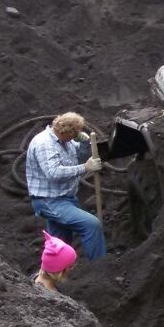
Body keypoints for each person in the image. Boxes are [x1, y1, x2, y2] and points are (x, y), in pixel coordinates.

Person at [25, 112, 106, 261]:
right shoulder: (45, 144)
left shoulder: (65, 140)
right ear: (67, 131)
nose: (76, 137)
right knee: (92, 225)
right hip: (49, 201)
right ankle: (100, 269)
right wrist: (86, 168)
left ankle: (50, 277)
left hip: (65, 198)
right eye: (75, 133)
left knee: (60, 246)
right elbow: (53, 173)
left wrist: (84, 143)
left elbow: (79, 155)